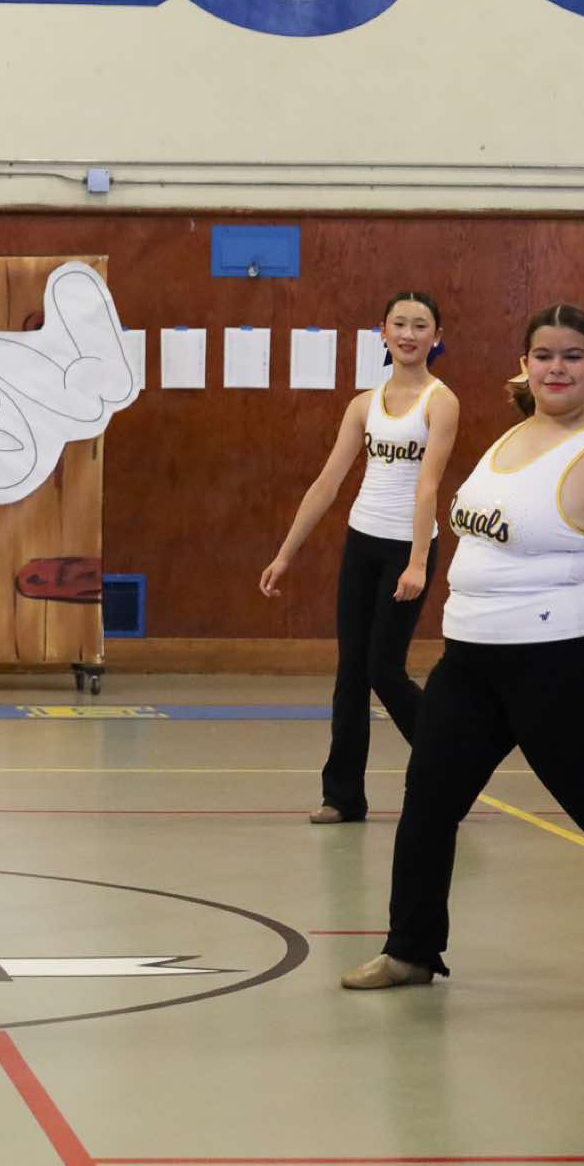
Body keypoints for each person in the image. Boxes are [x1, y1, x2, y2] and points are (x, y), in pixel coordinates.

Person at [344, 304, 584, 995]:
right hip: (469, 660)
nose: (556, 368)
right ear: (525, 364)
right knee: (429, 798)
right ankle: (411, 951)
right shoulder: (509, 440)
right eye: (544, 355)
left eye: (572, 356)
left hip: (559, 663)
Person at [261, 292, 458, 823]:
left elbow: (429, 485)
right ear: (383, 332)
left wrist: (417, 562)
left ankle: (453, 758)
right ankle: (343, 796)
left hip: (407, 547)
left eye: (420, 325)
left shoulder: (441, 402)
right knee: (351, 672)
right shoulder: (362, 405)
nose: (409, 334)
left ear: (437, 337)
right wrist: (285, 554)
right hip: (362, 542)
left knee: (384, 670)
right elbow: (327, 482)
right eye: (400, 324)